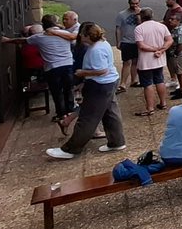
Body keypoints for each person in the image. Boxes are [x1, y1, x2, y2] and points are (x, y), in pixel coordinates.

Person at [45, 23, 126, 158]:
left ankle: (71, 149)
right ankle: (116, 142)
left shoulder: (95, 50)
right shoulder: (103, 43)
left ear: (88, 36)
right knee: (110, 113)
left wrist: (83, 73)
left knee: (88, 117)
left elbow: (102, 70)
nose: (80, 36)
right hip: (109, 83)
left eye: (81, 34)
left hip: (100, 86)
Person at [4, 14, 76, 123]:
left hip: (52, 68)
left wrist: (7, 40)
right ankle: (70, 110)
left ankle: (61, 114)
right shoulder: (66, 34)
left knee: (57, 92)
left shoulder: (39, 37)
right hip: (68, 65)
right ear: (55, 23)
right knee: (68, 89)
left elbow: (21, 40)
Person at [133, 7, 173, 116]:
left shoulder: (139, 28)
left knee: (147, 84)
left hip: (145, 61)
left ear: (141, 16)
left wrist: (155, 49)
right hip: (159, 59)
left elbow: (141, 45)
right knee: (159, 80)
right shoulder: (161, 26)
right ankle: (163, 103)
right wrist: (161, 50)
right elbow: (169, 40)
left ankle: (150, 108)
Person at [115, 0, 142, 91]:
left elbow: (142, 25)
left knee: (135, 61)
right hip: (126, 41)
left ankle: (134, 80)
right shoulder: (122, 14)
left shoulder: (142, 13)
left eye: (136, 3)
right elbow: (118, 28)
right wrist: (118, 41)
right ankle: (123, 84)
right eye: (132, 4)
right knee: (127, 62)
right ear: (129, 3)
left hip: (137, 41)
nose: (134, 5)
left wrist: (138, 15)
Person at [167, 17, 182, 100]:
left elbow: (181, 44)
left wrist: (176, 53)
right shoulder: (177, 28)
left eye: (172, 19)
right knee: (178, 72)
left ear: (178, 21)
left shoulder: (180, 30)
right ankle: (181, 88)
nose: (170, 20)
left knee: (181, 73)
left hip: (179, 55)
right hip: (177, 54)